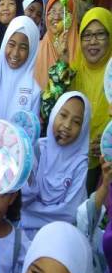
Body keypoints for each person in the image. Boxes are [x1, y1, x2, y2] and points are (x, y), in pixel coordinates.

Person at [21, 92, 91, 239]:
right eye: (63, 115)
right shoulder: (37, 149)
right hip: (22, 232)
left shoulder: (80, 164)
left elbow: (70, 213)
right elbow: (21, 198)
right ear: (53, 114)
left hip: (57, 237)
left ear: (84, 128)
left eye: (77, 122)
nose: (67, 125)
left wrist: (29, 213)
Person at [71, 7, 112, 192]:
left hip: (105, 170)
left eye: (100, 34)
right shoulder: (70, 72)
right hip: (70, 160)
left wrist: (108, 143)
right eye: (86, 35)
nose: (93, 42)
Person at [0, 16, 41, 121]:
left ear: (32, 51)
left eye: (23, 48)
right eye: (11, 44)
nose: (15, 53)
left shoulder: (35, 89)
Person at [34, 0, 79, 90]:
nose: (57, 17)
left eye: (63, 12)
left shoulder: (81, 51)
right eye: (53, 11)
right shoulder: (37, 48)